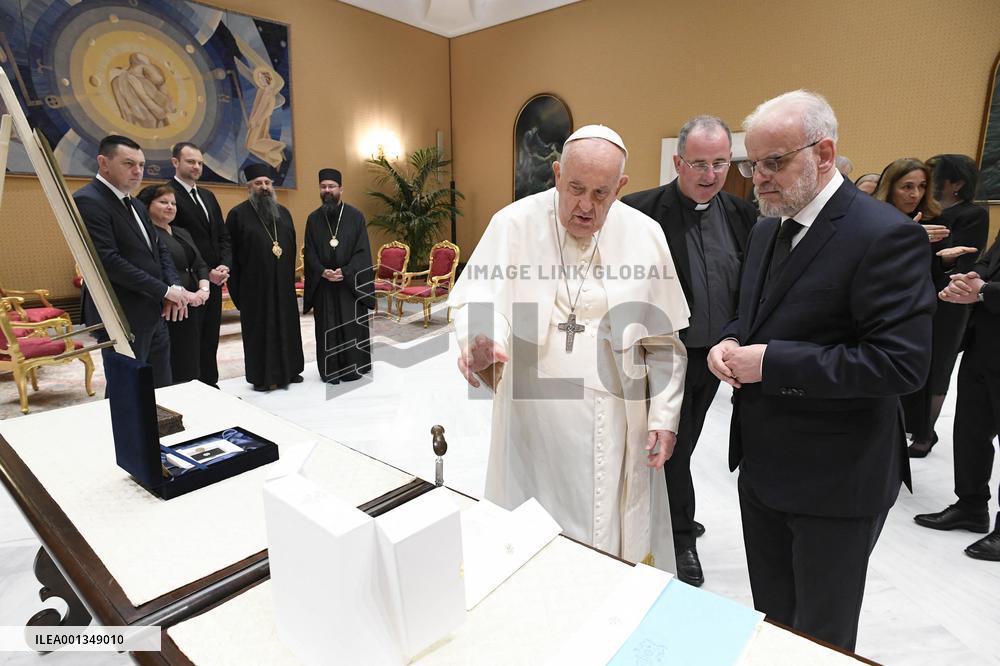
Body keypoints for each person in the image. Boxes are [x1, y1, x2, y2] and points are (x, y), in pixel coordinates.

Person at [708, 90, 934, 651]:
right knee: (775, 620)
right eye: (751, 163)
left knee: (821, 638)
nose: (757, 177)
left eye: (773, 162)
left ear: (824, 152)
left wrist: (771, 362)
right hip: (763, 467)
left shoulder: (883, 235)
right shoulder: (768, 227)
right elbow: (756, 316)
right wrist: (731, 340)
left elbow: (899, 364)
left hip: (838, 478)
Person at [449, 125, 690, 570]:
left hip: (615, 414)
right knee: (531, 524)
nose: (585, 206)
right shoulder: (514, 222)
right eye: (575, 188)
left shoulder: (646, 234)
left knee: (603, 533)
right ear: (557, 174)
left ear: (621, 186)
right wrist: (483, 342)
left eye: (601, 194)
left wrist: (664, 417)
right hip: (533, 414)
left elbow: (663, 341)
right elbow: (478, 299)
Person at [621, 115, 757, 586]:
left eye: (720, 162)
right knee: (667, 445)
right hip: (661, 357)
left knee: (688, 443)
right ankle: (679, 536)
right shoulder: (639, 212)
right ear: (678, 162)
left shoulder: (743, 215)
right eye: (698, 163)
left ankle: (672, 513)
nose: (710, 174)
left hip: (715, 358)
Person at [75, 135, 194, 391]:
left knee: (160, 381)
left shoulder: (137, 204)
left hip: (152, 309)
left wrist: (173, 288)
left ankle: (159, 428)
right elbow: (108, 262)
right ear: (103, 163)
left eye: (140, 164)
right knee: (127, 387)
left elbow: (159, 249)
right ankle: (130, 432)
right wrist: (164, 290)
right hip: (121, 311)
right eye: (129, 163)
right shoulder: (89, 200)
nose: (137, 170)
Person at [915, 228, 1000, 561]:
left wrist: (985, 292)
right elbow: (990, 263)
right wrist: (968, 278)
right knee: (970, 432)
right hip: (984, 341)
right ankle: (971, 505)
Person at [903, 154, 989, 457]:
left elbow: (964, 262)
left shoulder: (972, 214)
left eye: (933, 178)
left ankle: (925, 433)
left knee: (938, 365)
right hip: (918, 296)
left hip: (950, 302)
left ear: (956, 184)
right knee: (912, 360)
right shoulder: (925, 213)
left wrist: (946, 255)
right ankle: (909, 424)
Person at [873, 158, 949, 453]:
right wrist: (908, 236)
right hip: (879, 312)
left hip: (915, 312)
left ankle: (911, 435)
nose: (915, 194)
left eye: (921, 187)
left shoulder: (931, 221)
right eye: (907, 186)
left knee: (913, 377)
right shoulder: (874, 217)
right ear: (890, 187)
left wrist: (946, 260)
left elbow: (931, 276)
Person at [225, 163, 304, 391]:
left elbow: (290, 246)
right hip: (254, 289)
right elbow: (231, 255)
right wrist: (238, 292)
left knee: (287, 327)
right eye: (258, 183)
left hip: (283, 287)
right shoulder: (238, 215)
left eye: (267, 183)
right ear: (249, 186)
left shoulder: (284, 213)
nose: (264, 187)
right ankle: (263, 376)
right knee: (261, 332)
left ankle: (290, 370)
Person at [302, 168, 375, 383]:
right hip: (324, 286)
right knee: (327, 327)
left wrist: (346, 271)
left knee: (351, 326)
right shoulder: (313, 219)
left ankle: (355, 367)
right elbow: (310, 252)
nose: (327, 190)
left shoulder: (355, 216)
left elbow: (363, 251)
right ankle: (331, 370)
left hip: (349, 286)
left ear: (341, 189)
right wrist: (322, 271)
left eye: (331, 186)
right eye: (323, 186)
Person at [168, 141, 231, 388]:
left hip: (214, 281)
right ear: (175, 162)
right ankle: (191, 389)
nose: (196, 167)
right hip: (189, 283)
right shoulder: (166, 195)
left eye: (200, 163)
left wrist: (225, 265)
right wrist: (205, 271)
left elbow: (222, 235)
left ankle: (210, 385)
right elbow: (171, 243)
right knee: (188, 342)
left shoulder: (207, 195)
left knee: (209, 337)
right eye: (191, 161)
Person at [138, 184, 210, 384]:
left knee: (193, 357)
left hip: (195, 304)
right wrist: (186, 295)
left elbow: (200, 264)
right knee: (175, 361)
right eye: (163, 202)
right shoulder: (148, 235)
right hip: (170, 306)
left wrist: (204, 290)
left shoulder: (182, 232)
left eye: (173, 203)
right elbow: (157, 271)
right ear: (148, 205)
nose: (170, 207)